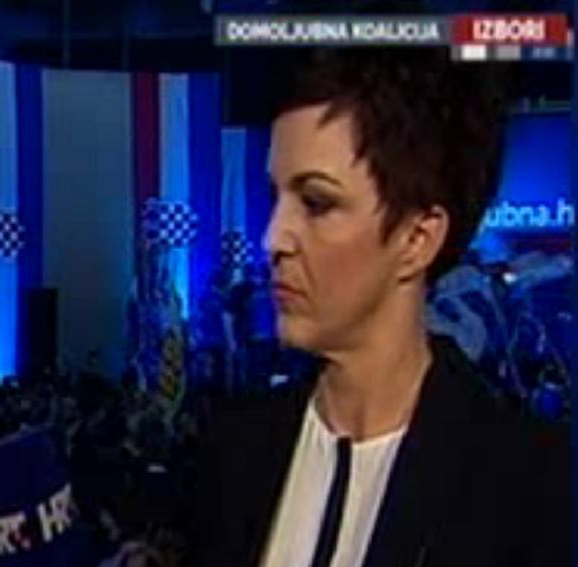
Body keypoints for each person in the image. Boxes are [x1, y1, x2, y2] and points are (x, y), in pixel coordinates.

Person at [192, 48, 570, 567]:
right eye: (276, 197)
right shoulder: (234, 451)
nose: (273, 238)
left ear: (418, 238)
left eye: (317, 203)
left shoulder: (528, 484)